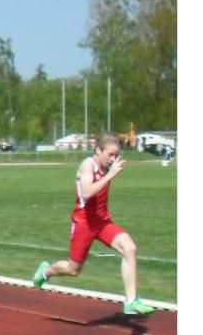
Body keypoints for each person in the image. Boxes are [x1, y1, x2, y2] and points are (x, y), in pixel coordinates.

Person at [33, 132, 155, 316]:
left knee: (129, 248)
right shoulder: (87, 165)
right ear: (98, 150)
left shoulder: (107, 167)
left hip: (102, 222)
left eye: (116, 155)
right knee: (73, 270)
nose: (113, 159)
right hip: (84, 223)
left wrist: (109, 173)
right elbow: (87, 193)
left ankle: (131, 301)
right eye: (110, 154)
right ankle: (45, 272)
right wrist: (110, 175)